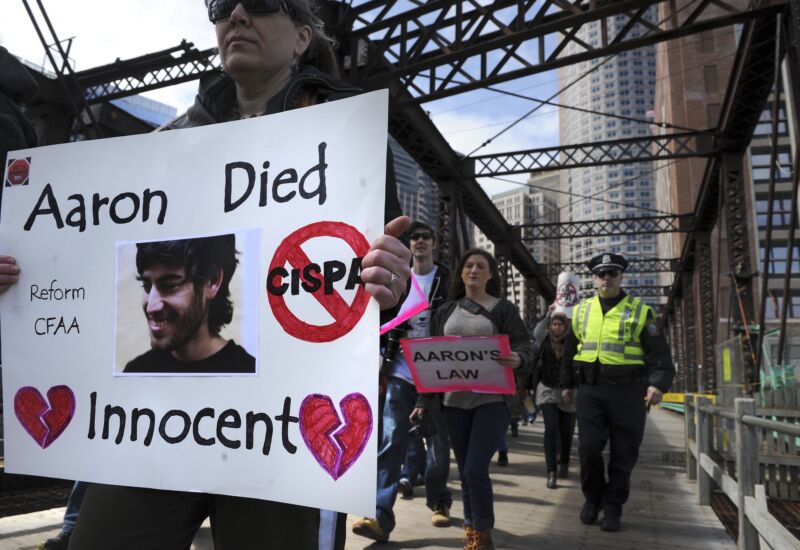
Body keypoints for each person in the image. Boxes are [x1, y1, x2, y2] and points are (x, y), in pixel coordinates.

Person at [0, 1, 413, 549]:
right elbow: (95, 260)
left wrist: (391, 282)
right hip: (155, 414)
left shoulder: (349, 131)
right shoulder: (171, 141)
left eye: (261, 3)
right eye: (221, 6)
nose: (236, 14)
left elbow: (381, 279)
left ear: (302, 37)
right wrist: (22, 275)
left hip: (285, 424)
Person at [412, 248, 531, 550]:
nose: (474, 270)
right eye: (468, 266)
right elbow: (433, 361)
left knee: (475, 469)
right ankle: (471, 530)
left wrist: (518, 359)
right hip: (454, 403)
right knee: (465, 471)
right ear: (461, 273)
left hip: (492, 401)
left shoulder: (503, 309)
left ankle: (483, 529)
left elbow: (524, 346)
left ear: (490, 274)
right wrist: (423, 402)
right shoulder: (446, 311)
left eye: (481, 266)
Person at [352, 221, 453, 542]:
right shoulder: (401, 274)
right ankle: (380, 515)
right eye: (415, 238)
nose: (420, 241)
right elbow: (385, 308)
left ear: (434, 243)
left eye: (426, 237)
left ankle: (439, 501)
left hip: (436, 372)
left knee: (437, 446)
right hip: (400, 370)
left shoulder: (447, 278)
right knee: (392, 439)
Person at [561, 252, 674, 532]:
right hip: (590, 389)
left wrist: (657, 383)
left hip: (628, 393)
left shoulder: (640, 311)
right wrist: (566, 384)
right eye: (601, 274)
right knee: (588, 448)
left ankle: (613, 507)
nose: (606, 278)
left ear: (621, 276)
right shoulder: (582, 311)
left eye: (612, 273)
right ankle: (593, 499)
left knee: (623, 454)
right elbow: (569, 352)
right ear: (595, 278)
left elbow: (660, 355)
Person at [123, 235, 255, 374]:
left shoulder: (247, 372)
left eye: (169, 285)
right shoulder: (137, 371)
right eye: (146, 285)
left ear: (212, 281)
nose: (151, 307)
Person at [530, 311, 575, 489]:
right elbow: (534, 363)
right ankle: (551, 471)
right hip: (547, 389)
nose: (556, 328)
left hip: (568, 391)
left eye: (560, 325)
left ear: (566, 326)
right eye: (554, 324)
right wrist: (528, 387)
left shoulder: (573, 343)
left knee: (567, 432)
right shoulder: (543, 342)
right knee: (551, 429)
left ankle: (564, 462)